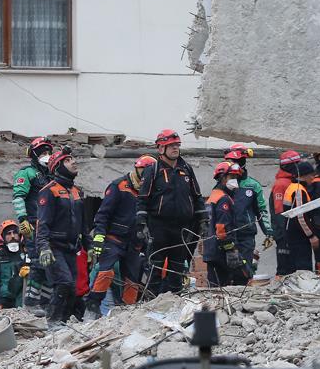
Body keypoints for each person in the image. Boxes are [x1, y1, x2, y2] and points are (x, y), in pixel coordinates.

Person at [135, 130, 207, 295]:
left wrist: (203, 219)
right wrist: (141, 224)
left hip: (181, 229)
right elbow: (142, 199)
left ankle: (175, 306)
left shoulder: (186, 169)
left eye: (177, 145)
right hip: (158, 228)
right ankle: (151, 306)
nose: (175, 148)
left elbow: (197, 197)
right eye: (171, 145)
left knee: (177, 271)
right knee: (155, 270)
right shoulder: (152, 171)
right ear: (161, 149)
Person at [85, 155, 155, 319]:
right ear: (136, 169)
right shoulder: (119, 186)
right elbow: (103, 214)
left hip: (135, 243)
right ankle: (92, 306)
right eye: (143, 171)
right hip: (113, 238)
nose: (145, 176)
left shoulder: (150, 193)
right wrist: (99, 236)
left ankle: (128, 313)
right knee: (106, 272)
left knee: (132, 280)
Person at [38, 147, 87, 323]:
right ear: (57, 167)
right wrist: (43, 247)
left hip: (71, 248)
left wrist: (90, 247)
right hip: (53, 247)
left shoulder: (77, 191)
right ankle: (52, 320)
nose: (73, 162)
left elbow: (83, 223)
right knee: (64, 283)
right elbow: (42, 223)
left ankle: (64, 322)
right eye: (67, 160)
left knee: (73, 288)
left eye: (72, 158)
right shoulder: (49, 191)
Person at [13, 136, 54, 317]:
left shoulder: (51, 175)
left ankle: (44, 304)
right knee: (37, 263)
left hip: (49, 226)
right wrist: (22, 220)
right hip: (32, 224)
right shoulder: (27, 173)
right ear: (35, 154)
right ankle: (30, 303)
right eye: (42, 152)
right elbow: (18, 197)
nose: (46, 155)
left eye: (48, 152)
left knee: (49, 265)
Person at [224, 144, 273, 277]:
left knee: (245, 269)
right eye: (231, 162)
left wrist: (268, 232)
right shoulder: (224, 183)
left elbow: (262, 211)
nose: (234, 165)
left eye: (237, 162)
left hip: (246, 234)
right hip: (227, 234)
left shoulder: (253, 185)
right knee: (228, 270)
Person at [203, 162, 248, 287]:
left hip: (211, 250)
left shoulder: (212, 196)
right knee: (243, 277)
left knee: (215, 287)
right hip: (221, 252)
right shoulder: (224, 199)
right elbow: (222, 228)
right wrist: (231, 250)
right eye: (232, 177)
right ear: (222, 178)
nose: (235, 181)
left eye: (236, 178)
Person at [269, 151, 302, 276]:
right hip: (284, 233)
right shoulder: (281, 184)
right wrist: (285, 233)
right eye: (297, 164)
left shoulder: (290, 182)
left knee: (292, 267)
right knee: (284, 267)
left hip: (290, 231)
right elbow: (279, 211)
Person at [283, 161, 319, 273]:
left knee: (294, 269)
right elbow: (301, 216)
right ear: (305, 175)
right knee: (303, 270)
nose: (313, 178)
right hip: (299, 237)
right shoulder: (298, 190)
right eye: (312, 175)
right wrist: (311, 236)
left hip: (292, 235)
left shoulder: (292, 187)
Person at [0, 220, 27, 309]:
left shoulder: (26, 253)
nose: (12, 236)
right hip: (5, 301)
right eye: (8, 234)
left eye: (15, 233)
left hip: (24, 298)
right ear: (3, 237)